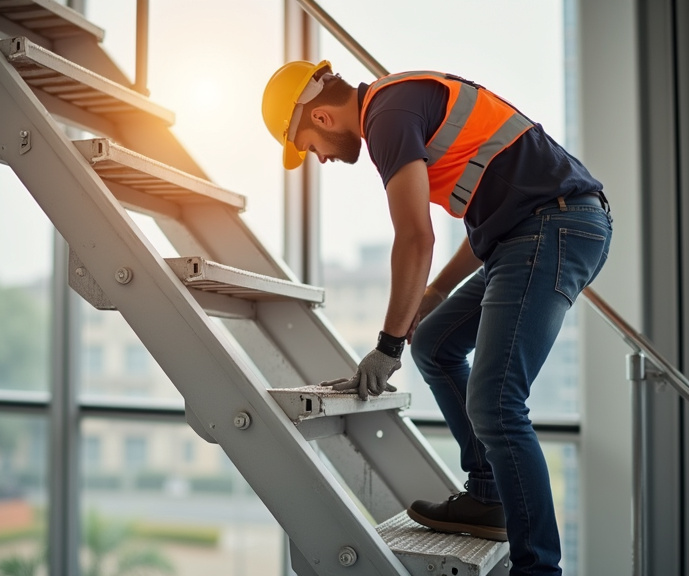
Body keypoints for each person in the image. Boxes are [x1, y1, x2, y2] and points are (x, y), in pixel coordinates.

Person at [261, 60, 611, 576]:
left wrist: (387, 346)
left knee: (496, 400)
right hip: (531, 231)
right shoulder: (398, 105)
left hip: (552, 227)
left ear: (323, 118)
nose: (319, 158)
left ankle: (538, 569)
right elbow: (491, 214)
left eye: (308, 146)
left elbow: (415, 237)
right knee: (438, 343)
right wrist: (437, 291)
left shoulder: (387, 115)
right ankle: (489, 494)